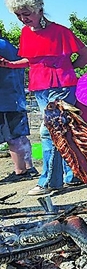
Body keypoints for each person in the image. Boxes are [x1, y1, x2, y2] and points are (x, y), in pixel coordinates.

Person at [2, 0, 87, 195]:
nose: (23, 19)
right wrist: (10, 64)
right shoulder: (26, 33)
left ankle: (50, 181)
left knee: (48, 132)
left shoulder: (61, 31)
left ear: (39, 10)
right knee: (63, 131)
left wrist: (67, 68)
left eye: (26, 14)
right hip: (39, 88)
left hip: (61, 87)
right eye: (18, 15)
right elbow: (33, 60)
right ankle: (74, 175)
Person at [0, 34, 38, 183]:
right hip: (14, 98)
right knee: (18, 135)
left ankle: (21, 171)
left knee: (13, 136)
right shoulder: (7, 44)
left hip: (5, 100)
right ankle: (28, 168)